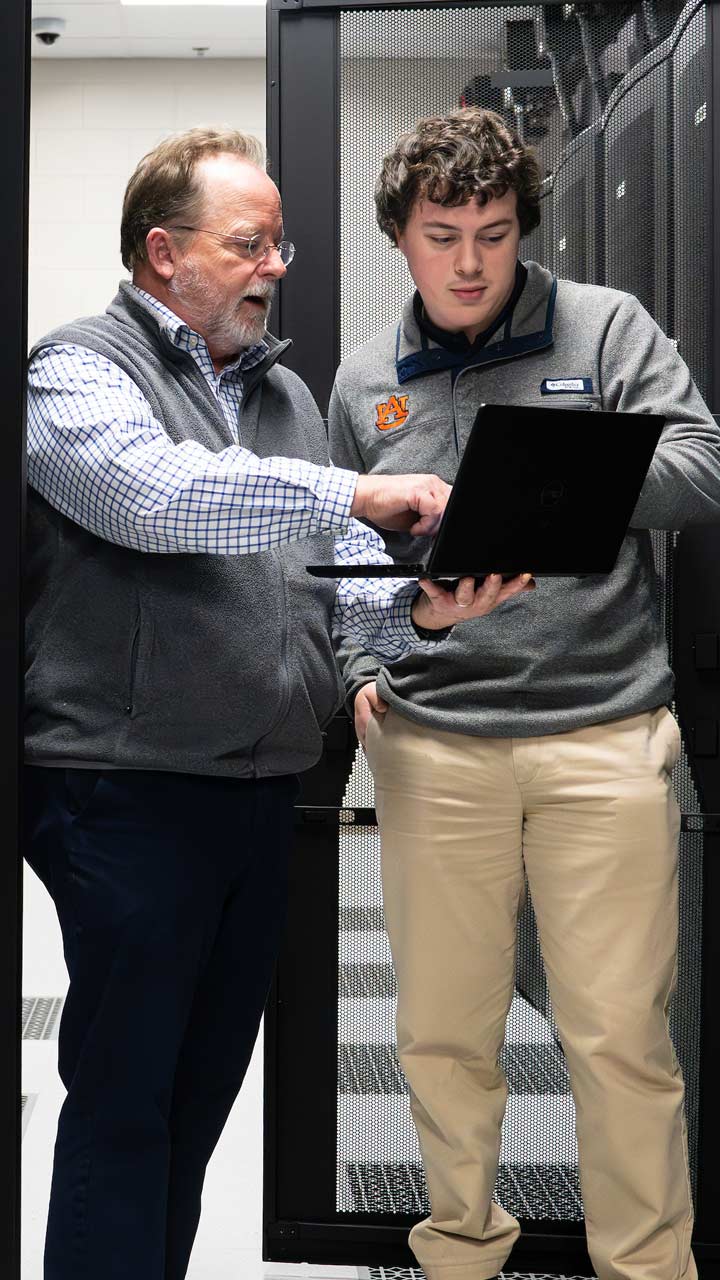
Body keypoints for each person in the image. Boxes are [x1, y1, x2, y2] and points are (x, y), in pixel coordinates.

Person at [24, 126, 534, 1280]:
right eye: (249, 243)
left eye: (279, 245)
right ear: (163, 251)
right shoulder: (77, 370)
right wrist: (354, 488)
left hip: (258, 792)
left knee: (195, 1101)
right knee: (124, 1101)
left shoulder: (282, 394)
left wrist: (423, 614)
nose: (274, 267)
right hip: (126, 789)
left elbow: (339, 588)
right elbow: (157, 498)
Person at [329, 106, 720, 1280]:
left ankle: (646, 1267)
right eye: (442, 236)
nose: (468, 262)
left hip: (603, 734)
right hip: (435, 743)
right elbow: (346, 561)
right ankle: (460, 1250)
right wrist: (360, 672)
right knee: (443, 1035)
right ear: (400, 236)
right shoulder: (363, 380)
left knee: (618, 1036)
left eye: (493, 235)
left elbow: (700, 464)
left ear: (522, 230)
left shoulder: (607, 327)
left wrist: (554, 480)